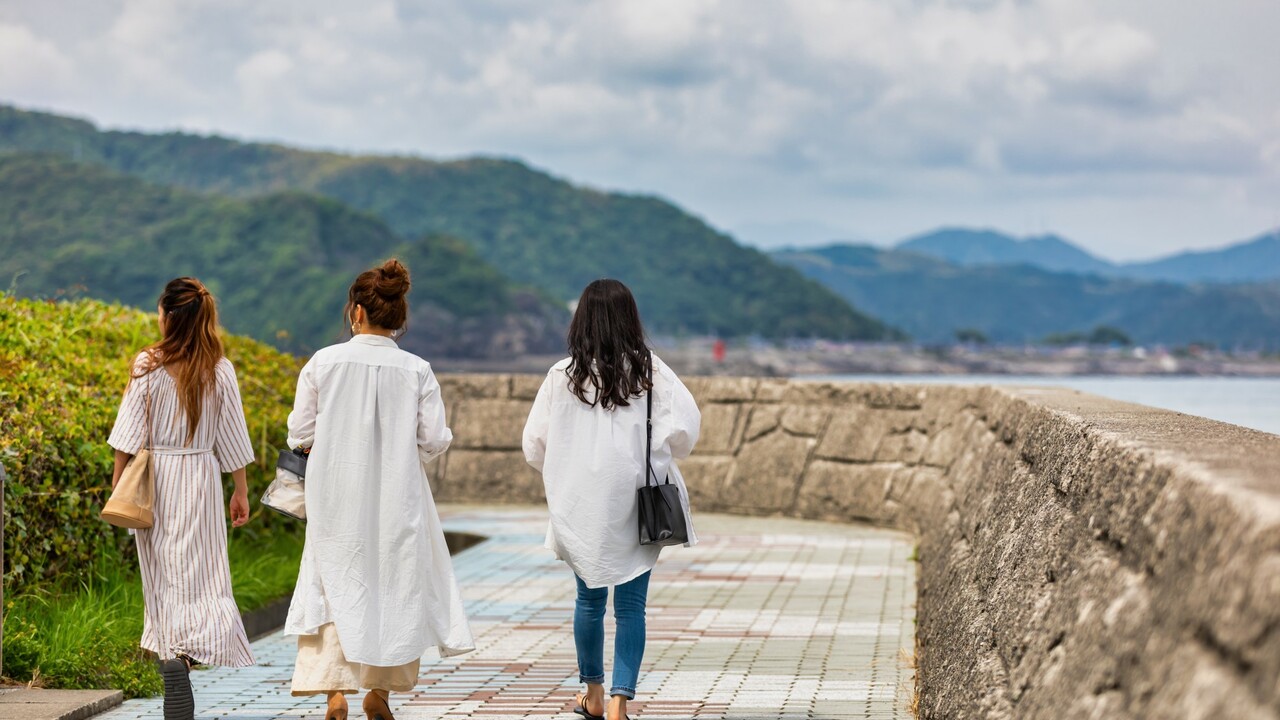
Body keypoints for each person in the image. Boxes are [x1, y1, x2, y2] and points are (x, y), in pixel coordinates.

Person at [284, 258, 475, 720]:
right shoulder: (417, 370)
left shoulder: (323, 362)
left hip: (334, 491)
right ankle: (380, 693)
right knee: (393, 582)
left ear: (356, 312)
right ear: (399, 317)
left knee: (334, 577)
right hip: (398, 492)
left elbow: (299, 433)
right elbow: (432, 440)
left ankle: (334, 691)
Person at [522, 278, 701, 720]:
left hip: (582, 504)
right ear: (630, 320)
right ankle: (622, 701)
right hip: (637, 503)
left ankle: (594, 693)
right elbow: (685, 434)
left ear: (581, 320)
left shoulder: (560, 376)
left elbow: (534, 445)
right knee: (631, 606)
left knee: (589, 599)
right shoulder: (652, 372)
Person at [107, 277, 256, 720]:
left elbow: (127, 438)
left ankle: (172, 652)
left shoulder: (147, 365)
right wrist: (240, 490)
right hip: (203, 478)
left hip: (155, 484)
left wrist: (119, 487)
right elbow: (233, 436)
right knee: (206, 578)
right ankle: (186, 657)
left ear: (168, 316)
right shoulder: (219, 368)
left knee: (164, 578)